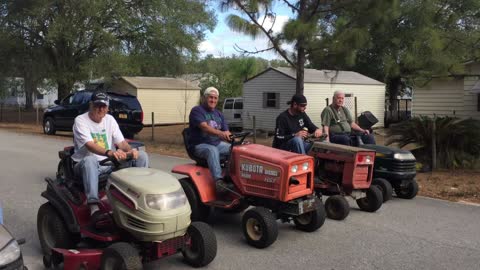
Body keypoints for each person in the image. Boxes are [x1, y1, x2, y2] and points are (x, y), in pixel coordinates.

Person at [72, 91, 149, 222]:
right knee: (90, 160)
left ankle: (139, 198)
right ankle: (94, 207)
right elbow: (90, 145)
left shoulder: (110, 120)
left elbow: (121, 143)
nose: (101, 109)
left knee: (142, 156)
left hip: (109, 163)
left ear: (107, 108)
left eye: (104, 106)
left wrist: (131, 151)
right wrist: (111, 153)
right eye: (97, 105)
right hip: (85, 165)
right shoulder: (80, 120)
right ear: (91, 105)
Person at [189, 86, 232, 192]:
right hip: (199, 145)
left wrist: (237, 142)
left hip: (217, 144)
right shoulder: (197, 110)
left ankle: (232, 178)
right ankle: (219, 182)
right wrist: (220, 133)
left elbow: (227, 132)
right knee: (211, 150)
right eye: (210, 97)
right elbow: (204, 127)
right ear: (204, 98)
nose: (213, 100)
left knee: (236, 150)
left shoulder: (219, 114)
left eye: (215, 98)